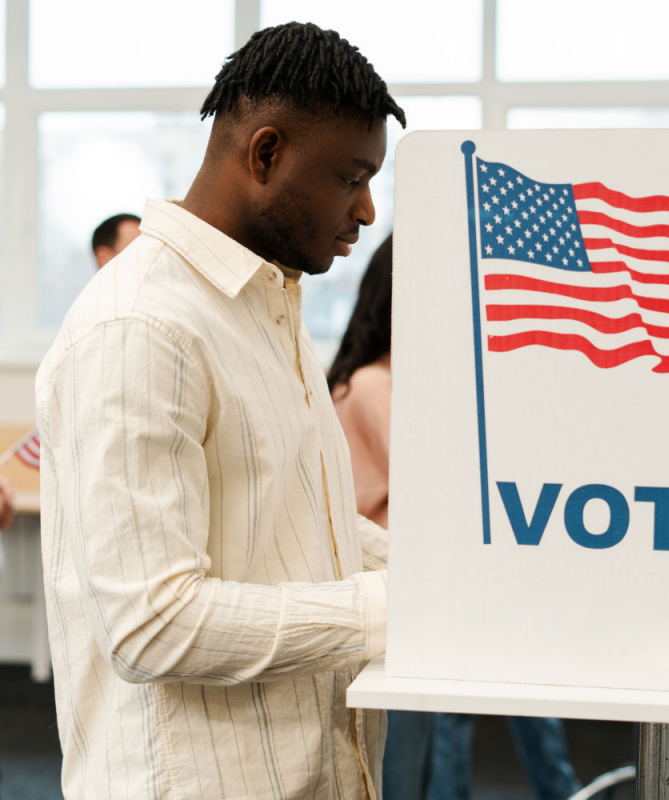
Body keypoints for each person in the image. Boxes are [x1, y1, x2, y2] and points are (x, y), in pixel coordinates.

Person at [36, 22, 405, 800]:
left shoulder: (266, 308)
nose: (368, 211)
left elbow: (307, 522)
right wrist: (390, 610)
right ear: (265, 154)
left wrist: (436, 572)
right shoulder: (142, 326)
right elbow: (153, 622)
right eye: (351, 177)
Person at [330, 236, 582, 800]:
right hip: (401, 605)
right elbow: (443, 487)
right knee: (420, 757)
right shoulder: (376, 386)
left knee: (446, 739)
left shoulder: (390, 382)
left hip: (427, 596)